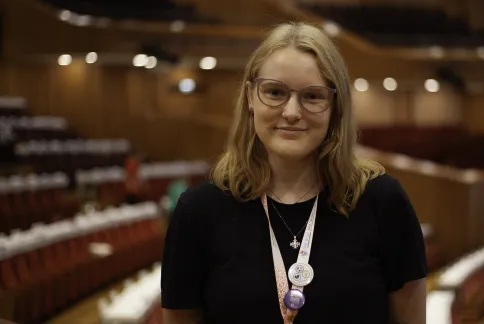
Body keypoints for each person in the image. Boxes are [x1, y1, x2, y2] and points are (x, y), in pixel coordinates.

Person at [161, 22, 427, 324]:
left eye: (312, 96)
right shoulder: (198, 212)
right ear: (250, 97)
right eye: (275, 92)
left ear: (335, 106)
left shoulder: (383, 202)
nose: (291, 112)